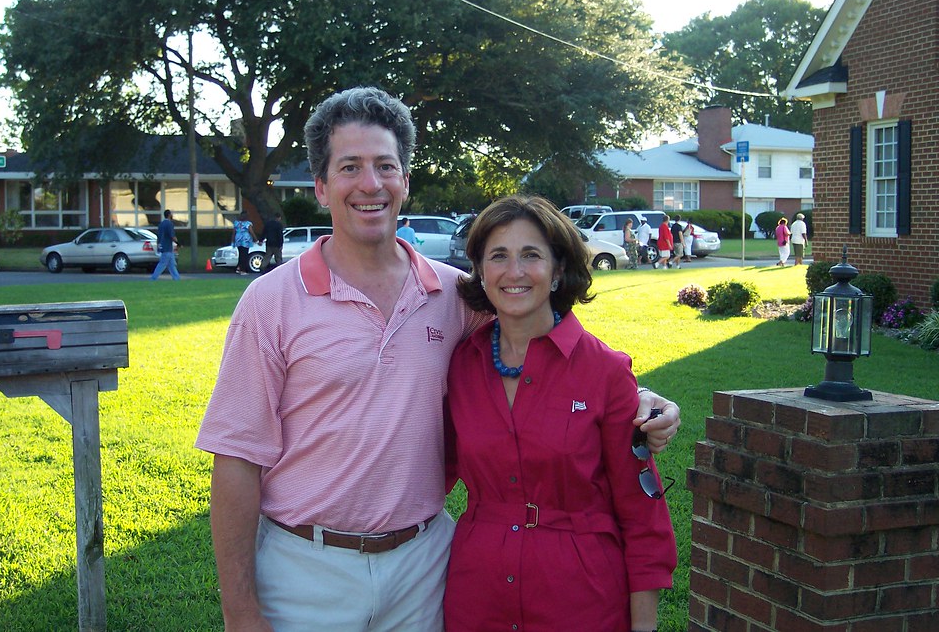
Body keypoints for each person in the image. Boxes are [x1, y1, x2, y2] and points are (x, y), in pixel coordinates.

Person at [195, 87, 681, 632]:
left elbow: (540, 338)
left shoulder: (454, 296)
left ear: (405, 180)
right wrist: (240, 612)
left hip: (423, 569)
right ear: (321, 185)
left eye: (385, 166)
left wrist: (632, 396)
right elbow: (236, 460)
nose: (370, 184)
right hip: (306, 571)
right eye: (350, 167)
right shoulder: (270, 303)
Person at [445, 195, 676, 631]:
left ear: (557, 271)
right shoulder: (461, 365)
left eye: (531, 255)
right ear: (481, 271)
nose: (514, 272)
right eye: (499, 256)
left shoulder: (604, 371)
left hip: (581, 600)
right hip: (477, 597)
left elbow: (642, 514)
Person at [149, 209, 180, 281]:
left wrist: (158, 246)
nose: (172, 215)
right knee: (162, 264)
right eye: (171, 214)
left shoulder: (161, 224)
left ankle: (177, 278)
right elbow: (172, 236)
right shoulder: (169, 224)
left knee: (172, 265)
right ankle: (153, 278)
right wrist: (178, 243)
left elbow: (159, 236)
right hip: (167, 248)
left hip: (163, 247)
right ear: (169, 215)